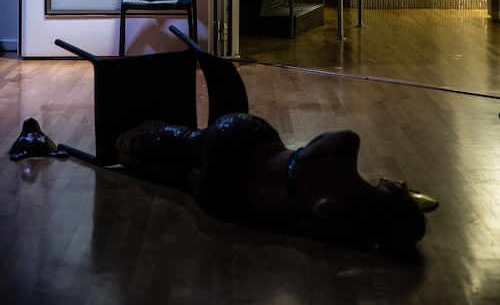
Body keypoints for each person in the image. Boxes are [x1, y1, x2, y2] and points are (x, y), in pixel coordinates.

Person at [115, 113, 436, 258]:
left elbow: (334, 139)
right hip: (233, 201)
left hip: (242, 143)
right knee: (180, 179)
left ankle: (140, 140)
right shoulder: (340, 225)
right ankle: (140, 161)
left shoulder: (342, 149)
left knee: (190, 142)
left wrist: (386, 188)